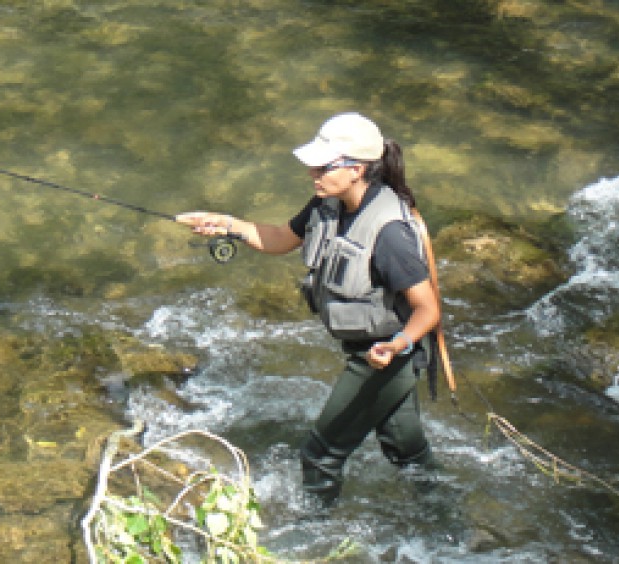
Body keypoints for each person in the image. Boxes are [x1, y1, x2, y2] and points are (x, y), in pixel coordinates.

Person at [177, 112, 441, 507]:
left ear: (356, 169)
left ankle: (313, 534)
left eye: (322, 166)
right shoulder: (327, 203)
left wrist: (397, 344)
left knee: (320, 455)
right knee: (406, 450)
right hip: (369, 350)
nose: (312, 173)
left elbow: (427, 310)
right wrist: (226, 223)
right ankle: (447, 524)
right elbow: (282, 238)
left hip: (385, 357)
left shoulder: (390, 232)